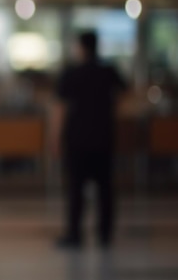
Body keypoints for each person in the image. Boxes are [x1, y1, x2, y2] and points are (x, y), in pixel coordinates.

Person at [50, 31, 127, 249]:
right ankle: (105, 233)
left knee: (76, 188)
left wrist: (55, 137)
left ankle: (75, 233)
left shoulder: (71, 73)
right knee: (106, 187)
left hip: (78, 139)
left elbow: (60, 109)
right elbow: (125, 94)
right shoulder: (108, 71)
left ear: (81, 47)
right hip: (104, 137)